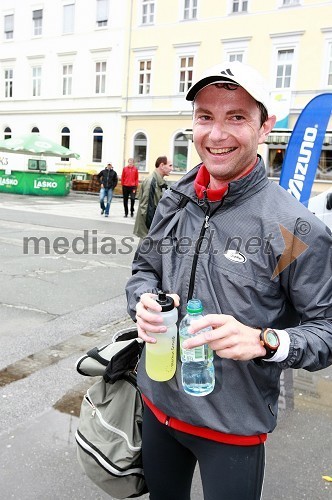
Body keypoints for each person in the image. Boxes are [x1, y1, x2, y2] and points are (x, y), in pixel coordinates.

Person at [126, 60, 332, 500]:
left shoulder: (296, 229)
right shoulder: (176, 199)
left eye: (236, 117)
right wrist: (142, 301)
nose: (216, 135)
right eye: (206, 117)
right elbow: (143, 270)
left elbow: (326, 330)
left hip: (231, 429)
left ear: (264, 127)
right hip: (158, 406)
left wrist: (267, 342)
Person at [133, 155, 173, 239]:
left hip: (150, 230)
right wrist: (152, 230)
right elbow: (147, 209)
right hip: (148, 231)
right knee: (145, 250)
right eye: (170, 165)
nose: (171, 169)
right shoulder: (152, 182)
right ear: (162, 165)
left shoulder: (159, 181)